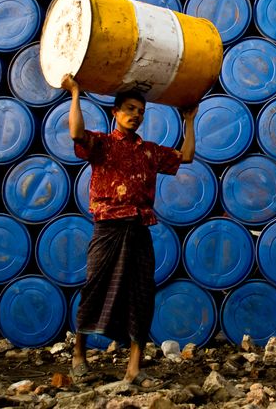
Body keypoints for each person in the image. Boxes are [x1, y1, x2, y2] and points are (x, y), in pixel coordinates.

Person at [61, 74, 197, 387]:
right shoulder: (102, 145)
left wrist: (189, 120)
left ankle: (135, 368)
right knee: (95, 287)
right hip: (108, 227)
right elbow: (76, 132)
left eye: (141, 112)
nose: (136, 115)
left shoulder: (148, 151)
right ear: (115, 113)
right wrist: (76, 93)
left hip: (139, 228)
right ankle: (79, 356)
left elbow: (186, 156)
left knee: (141, 295)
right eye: (130, 109)